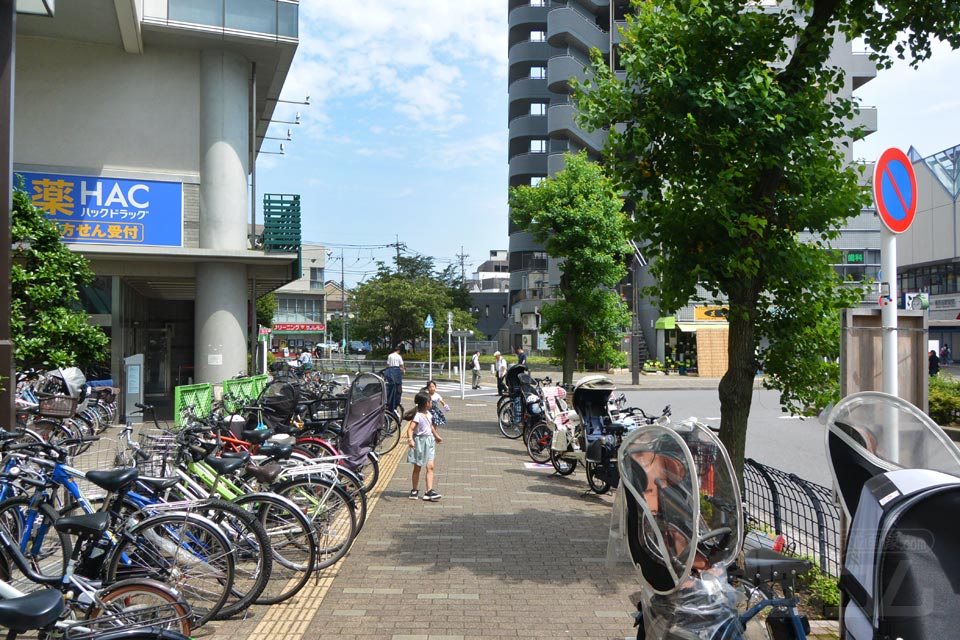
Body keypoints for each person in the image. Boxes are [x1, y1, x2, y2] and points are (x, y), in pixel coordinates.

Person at [405, 390, 443, 501]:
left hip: (429, 441)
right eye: (430, 400)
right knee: (417, 467)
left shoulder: (429, 414)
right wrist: (410, 440)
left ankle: (429, 491)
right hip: (420, 442)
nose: (431, 402)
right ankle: (414, 490)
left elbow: (430, 427)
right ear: (426, 403)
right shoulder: (418, 416)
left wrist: (436, 436)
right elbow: (410, 429)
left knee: (430, 466)